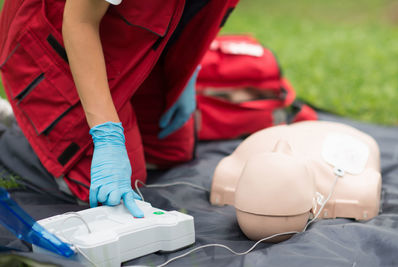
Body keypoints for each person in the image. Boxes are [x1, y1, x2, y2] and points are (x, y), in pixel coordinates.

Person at [0, 0, 239, 217]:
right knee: (113, 195)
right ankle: (24, 129)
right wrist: (107, 137)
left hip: (128, 37)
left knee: (172, 151)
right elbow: (79, 21)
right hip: (55, 38)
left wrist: (189, 73)